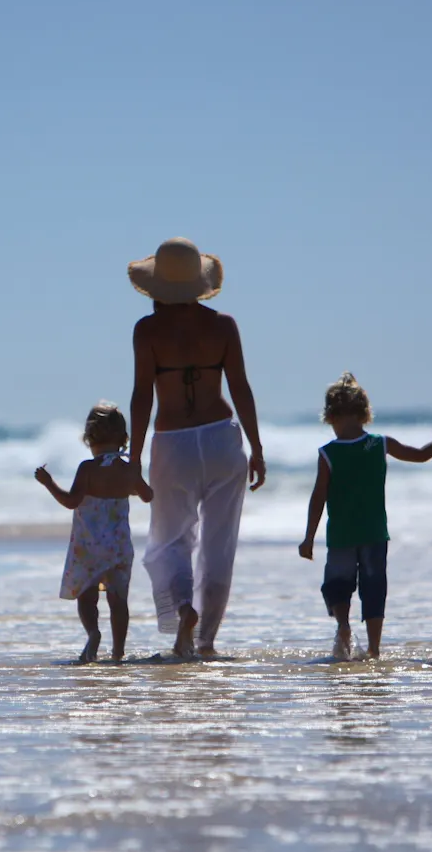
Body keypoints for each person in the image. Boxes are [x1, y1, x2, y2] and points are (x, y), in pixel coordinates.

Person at [127, 237, 266, 660]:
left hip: (173, 443)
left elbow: (141, 397)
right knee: (219, 544)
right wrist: (257, 446)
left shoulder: (147, 331)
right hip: (223, 437)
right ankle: (205, 641)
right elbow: (240, 387)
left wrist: (133, 460)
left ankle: (184, 611)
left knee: (169, 540)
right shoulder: (223, 325)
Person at [298, 373, 432, 660]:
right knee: (374, 588)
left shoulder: (328, 453)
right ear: (364, 413)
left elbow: (318, 497)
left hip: (341, 535)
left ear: (330, 416)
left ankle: (343, 625)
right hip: (374, 534)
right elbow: (419, 455)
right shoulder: (379, 444)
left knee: (338, 585)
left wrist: (308, 538)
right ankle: (374, 649)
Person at [36, 402, 154, 664]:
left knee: (87, 597)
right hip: (119, 547)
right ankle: (118, 652)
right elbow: (148, 495)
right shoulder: (128, 469)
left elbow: (71, 501)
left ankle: (93, 634)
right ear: (124, 439)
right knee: (118, 599)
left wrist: (49, 483)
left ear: (89, 438)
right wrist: (133, 479)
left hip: (88, 547)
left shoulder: (87, 469)